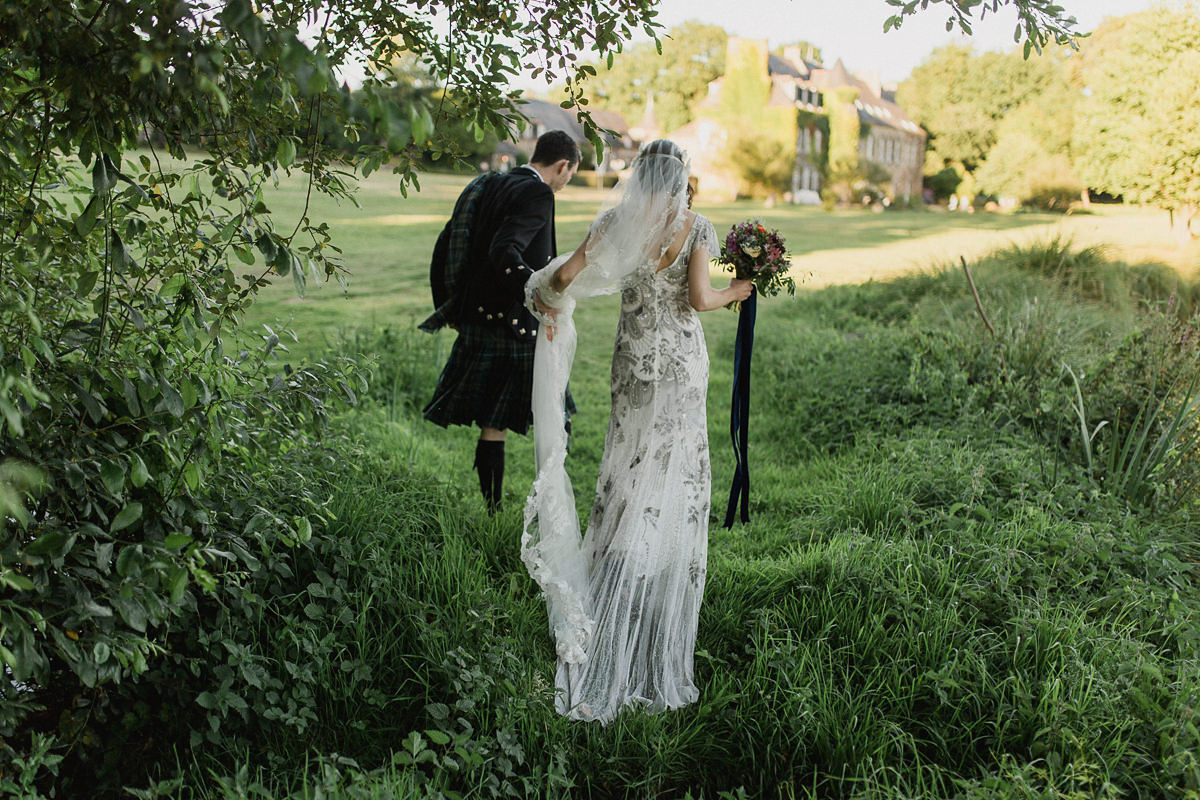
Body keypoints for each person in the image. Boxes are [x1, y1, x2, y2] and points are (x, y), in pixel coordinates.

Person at [521, 139, 753, 723]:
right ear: (681, 177)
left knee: (626, 467)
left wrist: (547, 301)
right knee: (670, 472)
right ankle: (650, 576)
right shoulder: (697, 228)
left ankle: (621, 560)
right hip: (680, 370)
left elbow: (567, 275)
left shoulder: (613, 221)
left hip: (633, 368)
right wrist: (737, 292)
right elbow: (700, 298)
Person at [420, 130, 580, 512]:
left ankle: (493, 509)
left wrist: (449, 305)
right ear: (561, 166)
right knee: (556, 411)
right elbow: (504, 251)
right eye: (569, 175)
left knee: (494, 423)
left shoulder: (491, 183)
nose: (565, 183)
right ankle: (552, 506)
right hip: (515, 323)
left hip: (480, 318)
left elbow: (447, 244)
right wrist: (536, 293)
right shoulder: (538, 193)